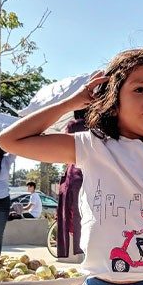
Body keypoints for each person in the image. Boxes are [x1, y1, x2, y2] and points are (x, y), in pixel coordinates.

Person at [0, 47, 143, 285]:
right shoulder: (93, 146)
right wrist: (70, 103)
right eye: (140, 89)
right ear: (114, 102)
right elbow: (10, 140)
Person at [57, 111, 87, 258]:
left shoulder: (72, 126)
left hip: (73, 174)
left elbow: (64, 149)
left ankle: (77, 250)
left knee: (74, 215)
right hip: (90, 172)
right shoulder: (96, 126)